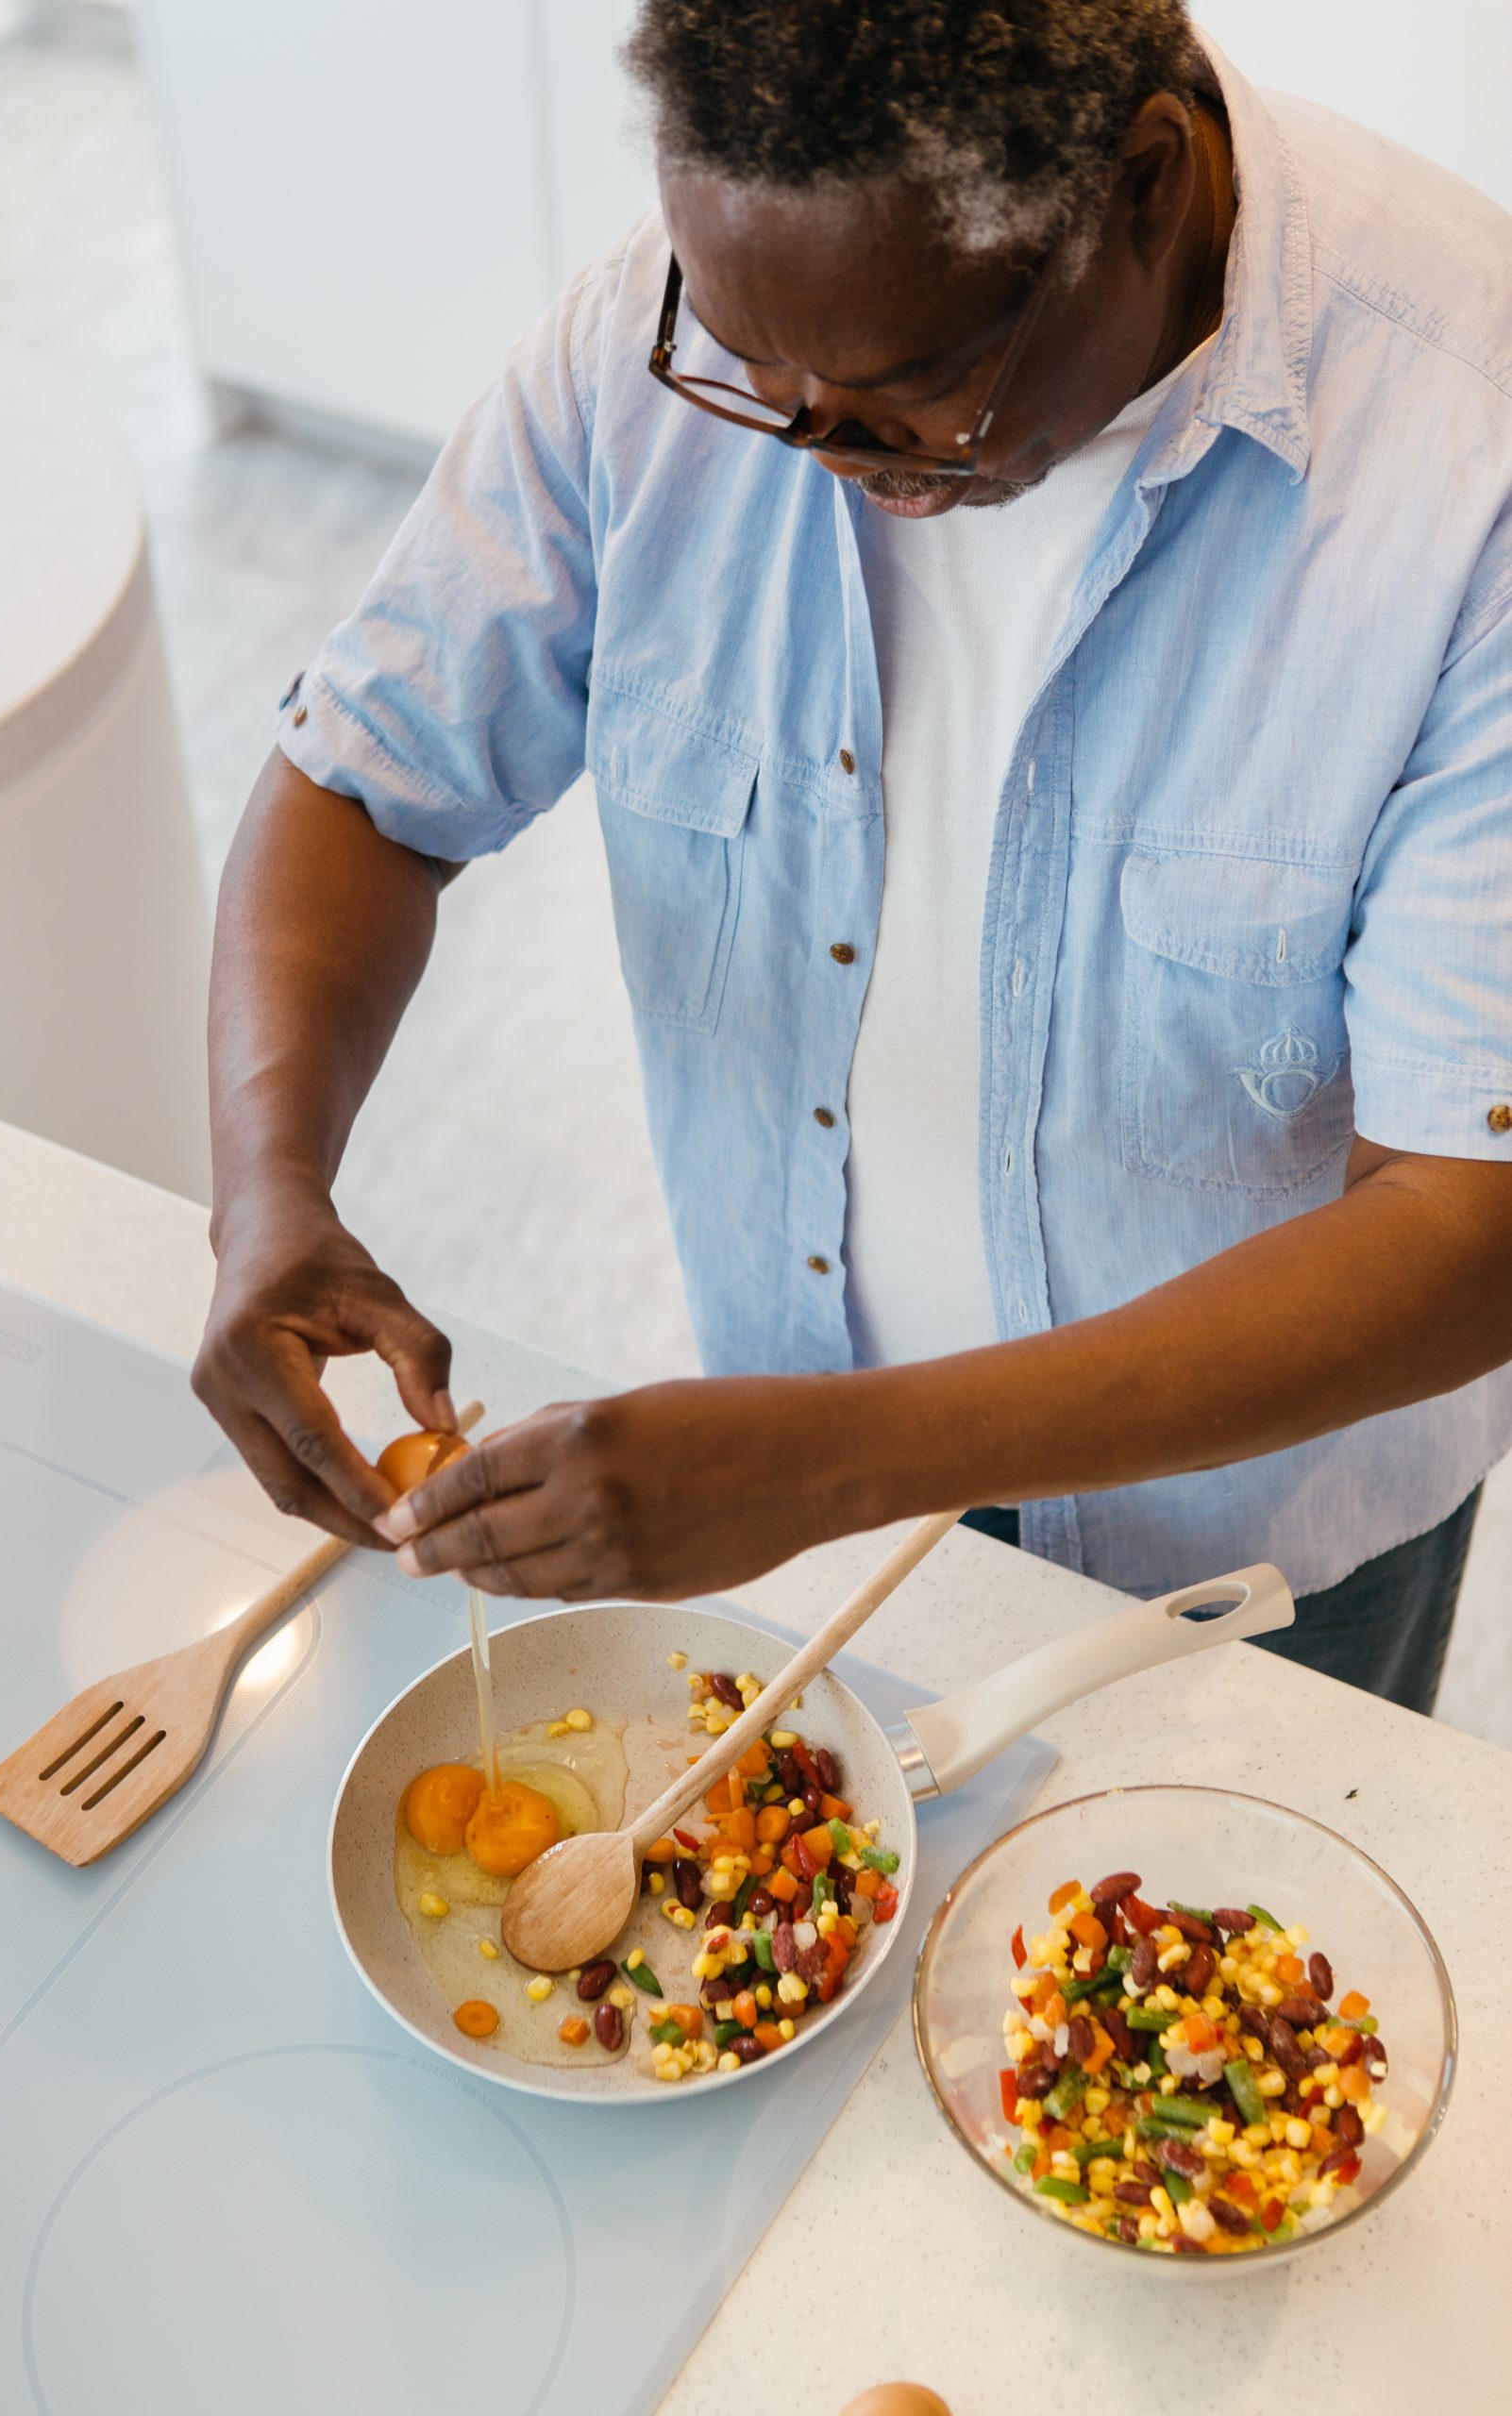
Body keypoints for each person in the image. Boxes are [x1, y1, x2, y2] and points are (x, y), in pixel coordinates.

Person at [194, 1, 1512, 1713]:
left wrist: (830, 1463)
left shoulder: (1461, 461)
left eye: (901, 392)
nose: (804, 439)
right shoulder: (686, 322)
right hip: (789, 1424)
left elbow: (1468, 1216)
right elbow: (363, 780)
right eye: (747, 368)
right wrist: (268, 1191)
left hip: (1247, 1530)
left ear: (1143, 184)